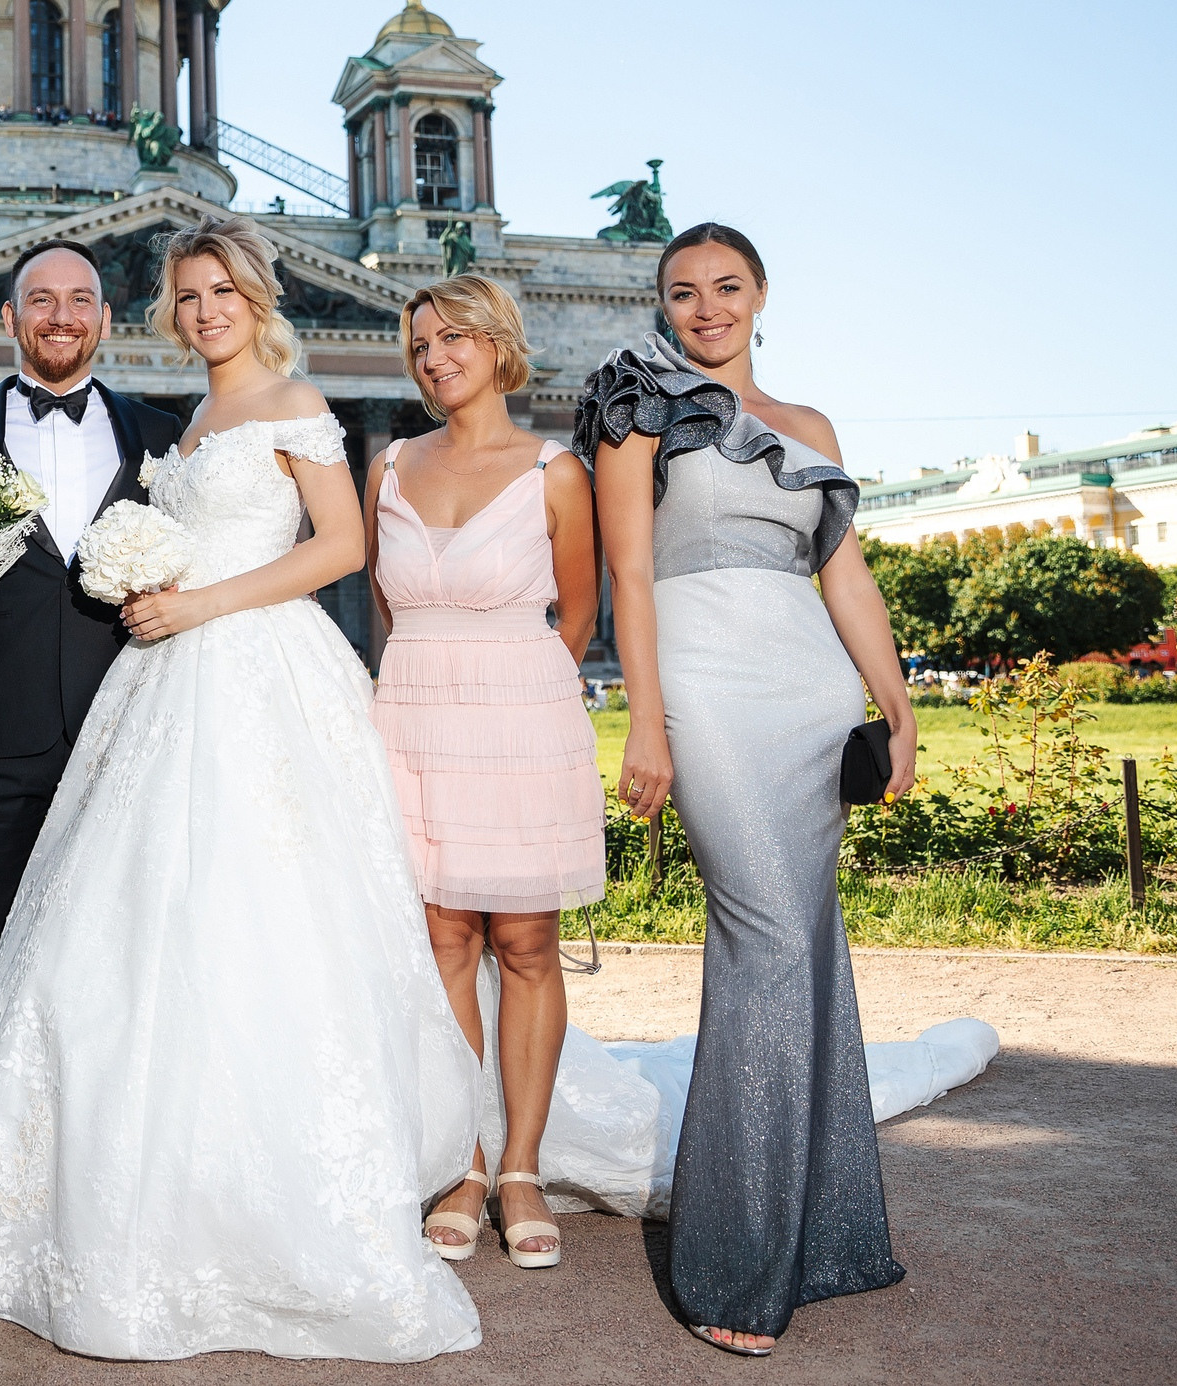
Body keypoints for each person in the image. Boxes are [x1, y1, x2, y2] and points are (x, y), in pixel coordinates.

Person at [0, 220, 481, 1363]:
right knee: (118, 938)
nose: (205, 308)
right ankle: (95, 1173)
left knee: (256, 920)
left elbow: (341, 544)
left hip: (245, 676)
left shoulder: (284, 401)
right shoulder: (187, 422)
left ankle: (266, 1189)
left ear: (258, 297)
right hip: (146, 692)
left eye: (223, 290)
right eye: (189, 292)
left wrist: (199, 604)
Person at [579, 222, 918, 1357]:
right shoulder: (636, 402)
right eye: (684, 291)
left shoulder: (811, 427)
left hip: (810, 695)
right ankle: (735, 1260)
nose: (706, 307)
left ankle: (825, 1236)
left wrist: (897, 700)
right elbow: (629, 567)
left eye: (727, 287)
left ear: (762, 294)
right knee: (767, 935)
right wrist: (645, 715)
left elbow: (847, 576)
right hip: (708, 687)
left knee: (809, 946)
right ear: (662, 304)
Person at [363, 274, 604, 1271]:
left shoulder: (555, 471)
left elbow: (579, 613)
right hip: (414, 708)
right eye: (420, 344)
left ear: (499, 345)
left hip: (521, 712)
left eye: (454, 337)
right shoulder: (384, 465)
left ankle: (521, 1166)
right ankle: (462, 1161)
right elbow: (387, 607)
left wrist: (520, 683)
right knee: (442, 939)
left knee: (527, 939)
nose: (434, 357)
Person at [0, 239, 181, 1021]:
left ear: (106, 319)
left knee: (120, 948)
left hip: (127, 732)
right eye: (40, 300)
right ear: (9, 316)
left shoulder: (164, 436)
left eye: (78, 302)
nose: (59, 318)